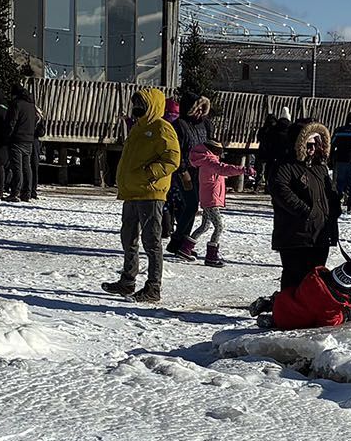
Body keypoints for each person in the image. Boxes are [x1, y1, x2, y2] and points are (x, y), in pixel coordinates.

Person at [103, 87, 180, 303]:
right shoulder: (137, 128)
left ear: (152, 105)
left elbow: (172, 159)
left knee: (151, 240)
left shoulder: (162, 128)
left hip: (150, 192)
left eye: (141, 105)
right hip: (131, 192)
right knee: (128, 238)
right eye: (135, 105)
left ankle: (153, 287)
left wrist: (149, 174)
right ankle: (128, 280)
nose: (137, 109)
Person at [267, 119, 340, 291]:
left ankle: (309, 311)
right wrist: (306, 211)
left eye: (315, 144)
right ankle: (287, 312)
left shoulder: (319, 168)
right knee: (294, 278)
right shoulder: (285, 166)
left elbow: (328, 192)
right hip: (295, 234)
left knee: (315, 277)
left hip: (319, 234)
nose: (312, 149)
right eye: (308, 144)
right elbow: (279, 190)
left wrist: (334, 208)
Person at [189, 140, 248, 268]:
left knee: (204, 226)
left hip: (209, 198)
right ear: (213, 150)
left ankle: (186, 248)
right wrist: (243, 170)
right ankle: (211, 256)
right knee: (219, 226)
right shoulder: (210, 161)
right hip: (211, 199)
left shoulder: (207, 159)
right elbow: (223, 169)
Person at [166, 95, 211, 257]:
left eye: (202, 108)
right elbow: (176, 150)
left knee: (192, 206)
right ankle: (178, 241)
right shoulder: (179, 125)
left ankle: (182, 244)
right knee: (191, 205)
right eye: (196, 108)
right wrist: (183, 171)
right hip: (185, 171)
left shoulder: (205, 124)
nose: (199, 111)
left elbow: (210, 144)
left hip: (202, 171)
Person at [5, 84, 42, 202]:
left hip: (17, 139)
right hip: (29, 140)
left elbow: (12, 122)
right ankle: (27, 192)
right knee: (27, 167)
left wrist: (7, 135)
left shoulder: (16, 104)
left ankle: (15, 192)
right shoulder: (31, 106)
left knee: (17, 167)